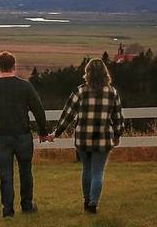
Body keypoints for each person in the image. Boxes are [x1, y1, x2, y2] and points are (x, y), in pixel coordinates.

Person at [0, 51, 49, 217]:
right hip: (23, 135)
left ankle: (8, 210)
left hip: (2, 137)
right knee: (25, 171)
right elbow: (39, 110)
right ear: (14, 66)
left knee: (5, 174)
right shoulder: (25, 86)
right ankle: (27, 205)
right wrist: (43, 131)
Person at [48, 58, 124, 214]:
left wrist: (56, 132)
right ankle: (93, 204)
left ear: (88, 73)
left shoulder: (80, 91)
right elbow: (117, 117)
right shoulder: (112, 92)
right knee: (98, 172)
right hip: (103, 139)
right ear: (105, 73)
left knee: (87, 169)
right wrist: (117, 135)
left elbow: (67, 115)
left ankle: (86, 200)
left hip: (82, 138)